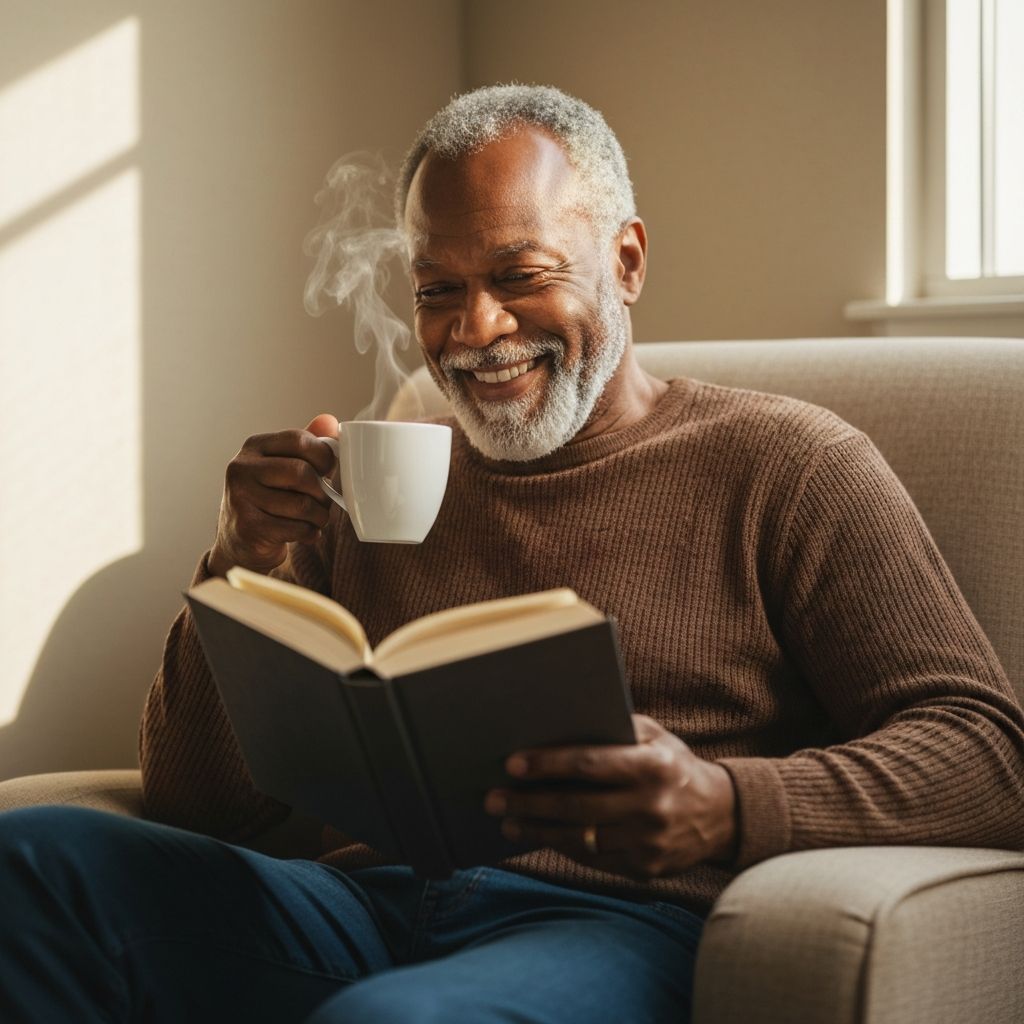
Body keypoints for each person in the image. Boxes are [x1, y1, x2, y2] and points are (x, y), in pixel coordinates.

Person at [1, 84, 1022, 1024]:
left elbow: (987, 754)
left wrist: (727, 805)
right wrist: (237, 563)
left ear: (625, 262)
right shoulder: (369, 486)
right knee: (31, 857)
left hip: (615, 926)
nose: (474, 329)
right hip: (358, 908)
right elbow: (198, 805)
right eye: (436, 288)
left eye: (519, 277)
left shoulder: (786, 465)